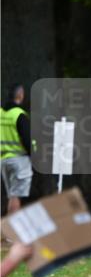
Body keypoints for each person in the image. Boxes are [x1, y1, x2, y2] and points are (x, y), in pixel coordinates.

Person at [1, 83, 32, 214]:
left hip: (3, 160)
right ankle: (11, 233)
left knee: (12, 196)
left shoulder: (1, 113)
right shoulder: (19, 115)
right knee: (15, 196)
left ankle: (8, 231)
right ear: (20, 95)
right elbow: (27, 139)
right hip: (19, 161)